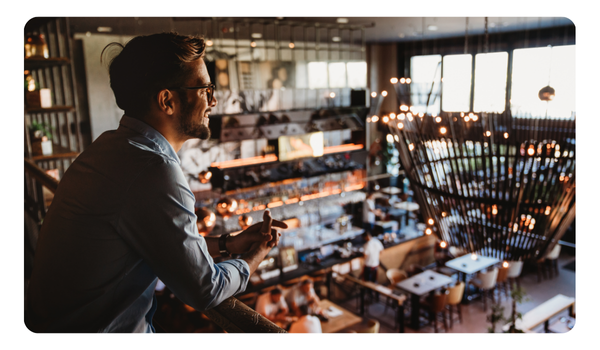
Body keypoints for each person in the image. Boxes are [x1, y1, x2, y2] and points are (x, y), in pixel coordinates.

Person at [25, 32, 287, 333]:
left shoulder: (111, 147)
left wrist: (229, 244)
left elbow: (165, 243)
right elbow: (206, 289)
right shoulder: (153, 169)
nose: (213, 100)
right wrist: (255, 255)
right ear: (167, 100)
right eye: (205, 89)